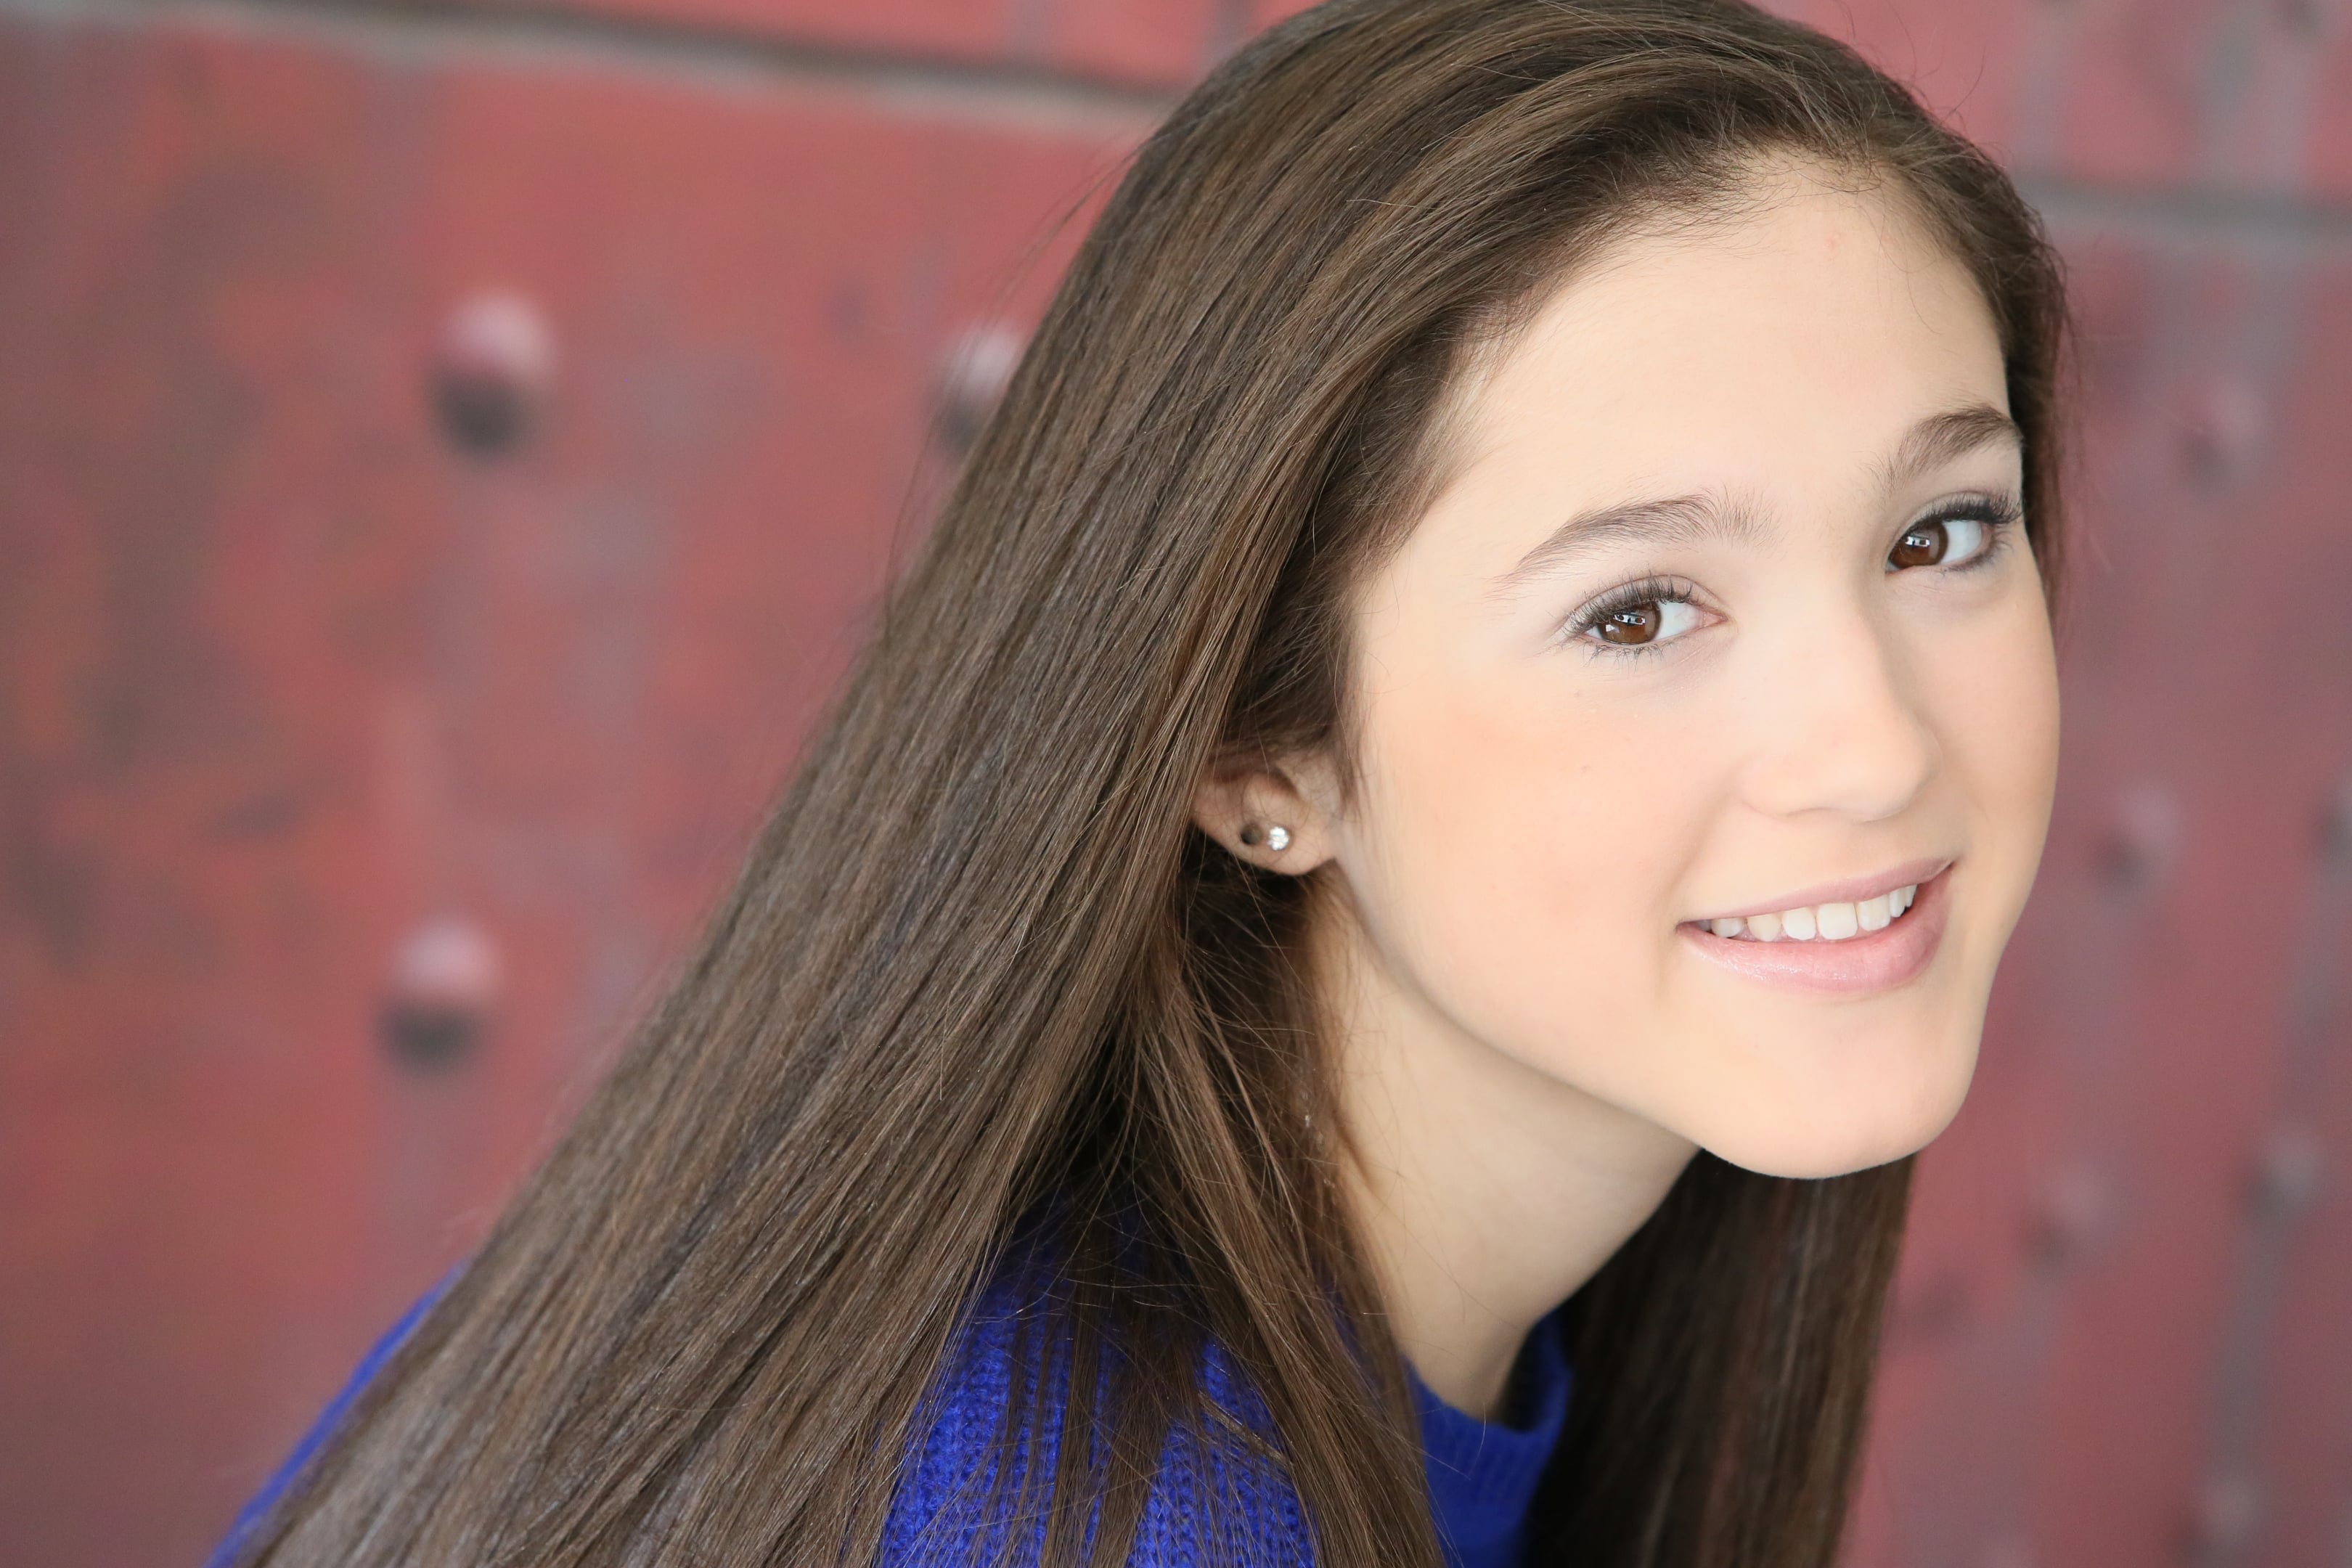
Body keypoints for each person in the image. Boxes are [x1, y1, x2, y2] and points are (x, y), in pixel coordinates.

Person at [207, 1, 2067, 1564]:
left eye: (1942, 533)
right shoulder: (1082, 1505)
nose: (1877, 745)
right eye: (1640, 612)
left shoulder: (1263, 1373)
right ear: (1255, 748)